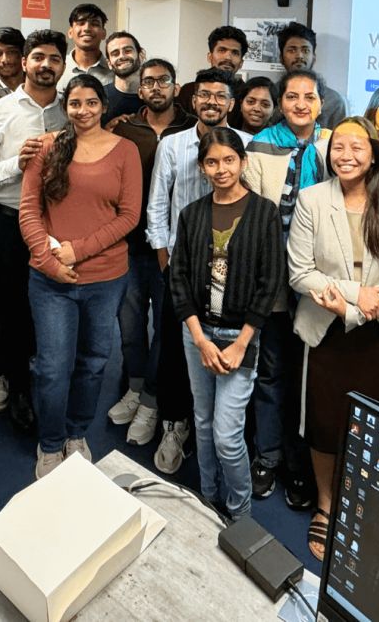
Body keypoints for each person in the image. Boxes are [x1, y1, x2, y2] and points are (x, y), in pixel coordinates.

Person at [287, 117, 379, 558]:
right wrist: (354, 295)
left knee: (367, 425)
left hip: (377, 334)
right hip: (324, 330)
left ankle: (355, 502)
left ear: (375, 154)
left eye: (356, 147)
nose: (345, 155)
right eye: (338, 147)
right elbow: (300, 273)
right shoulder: (311, 199)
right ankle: (326, 504)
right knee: (323, 423)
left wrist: (357, 310)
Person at [19, 74, 141, 478]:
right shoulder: (47, 147)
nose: (83, 110)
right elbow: (29, 210)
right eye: (75, 103)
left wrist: (78, 250)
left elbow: (129, 216)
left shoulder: (125, 150)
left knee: (93, 362)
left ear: (103, 106)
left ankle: (76, 434)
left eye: (91, 102)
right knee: (53, 367)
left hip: (106, 278)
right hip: (51, 280)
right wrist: (50, 261)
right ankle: (51, 442)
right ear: (65, 107)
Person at [170, 128, 283, 520]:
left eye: (229, 160)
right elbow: (178, 279)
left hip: (240, 338)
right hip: (197, 334)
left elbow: (270, 282)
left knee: (227, 434)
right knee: (202, 423)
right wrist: (199, 339)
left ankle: (239, 513)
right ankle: (208, 497)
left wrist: (241, 343)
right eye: (212, 162)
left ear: (243, 162)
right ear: (203, 168)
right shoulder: (191, 214)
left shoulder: (264, 213)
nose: (221, 169)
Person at [0, 29, 68, 432]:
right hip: (7, 222)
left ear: (63, 65)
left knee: (42, 307)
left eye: (54, 58)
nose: (45, 65)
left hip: (56, 226)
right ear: (24, 62)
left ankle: (26, 380)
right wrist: (14, 165)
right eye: (38, 57)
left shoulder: (71, 112)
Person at [146, 67, 251, 473]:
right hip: (183, 267)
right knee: (175, 350)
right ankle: (175, 425)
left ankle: (222, 434)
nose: (211, 102)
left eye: (220, 96)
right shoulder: (173, 146)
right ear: (193, 101)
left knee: (225, 348)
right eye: (204, 95)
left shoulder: (247, 145)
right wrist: (164, 256)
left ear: (231, 103)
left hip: (231, 271)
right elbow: (158, 202)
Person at [243, 67, 332, 509]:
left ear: (320, 104)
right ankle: (268, 456)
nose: (300, 104)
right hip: (275, 278)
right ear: (281, 103)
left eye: (308, 97)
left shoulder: (333, 144)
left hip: (320, 282)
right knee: (272, 372)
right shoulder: (261, 145)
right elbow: (254, 218)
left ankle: (301, 465)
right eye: (292, 96)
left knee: (308, 378)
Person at [108, 58, 195, 446]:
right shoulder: (124, 129)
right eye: (148, 82)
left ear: (176, 87)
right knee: (129, 327)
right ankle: (135, 386)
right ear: (139, 89)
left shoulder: (191, 128)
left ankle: (151, 400)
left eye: (163, 81)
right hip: (127, 246)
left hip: (170, 248)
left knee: (165, 328)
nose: (156, 87)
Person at [277, 22, 346, 128]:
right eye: (292, 50)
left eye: (305, 50)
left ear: (314, 57)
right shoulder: (270, 94)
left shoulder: (334, 101)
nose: (299, 56)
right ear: (281, 58)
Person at [175, 26, 248, 112]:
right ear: (210, 57)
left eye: (235, 53)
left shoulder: (248, 96)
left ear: (241, 63)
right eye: (222, 50)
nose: (228, 57)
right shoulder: (188, 91)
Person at [103, 30, 146, 124]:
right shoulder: (99, 97)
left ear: (141, 55)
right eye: (115, 54)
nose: (122, 56)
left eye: (128, 51)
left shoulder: (155, 95)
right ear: (109, 63)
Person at [66, 3, 111, 86]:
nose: (87, 28)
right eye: (81, 23)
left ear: (104, 33)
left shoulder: (114, 70)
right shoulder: (58, 67)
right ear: (70, 32)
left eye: (94, 24)